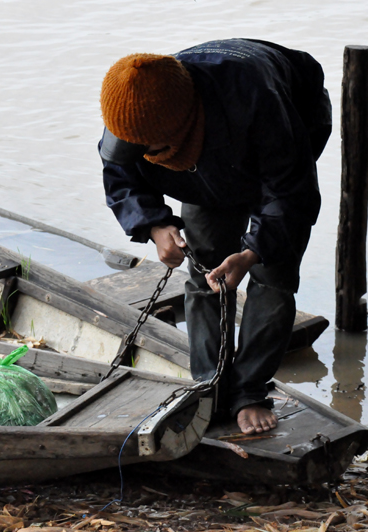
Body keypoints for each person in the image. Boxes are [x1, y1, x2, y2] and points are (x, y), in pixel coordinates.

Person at [98, 38, 331, 435]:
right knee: (205, 267)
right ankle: (209, 383)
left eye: (149, 148)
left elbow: (290, 193)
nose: (139, 153)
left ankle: (250, 392)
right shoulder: (130, 110)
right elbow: (119, 174)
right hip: (202, 156)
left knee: (273, 275)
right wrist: (156, 225)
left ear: (178, 132)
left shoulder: (259, 101)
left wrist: (252, 253)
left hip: (286, 128)